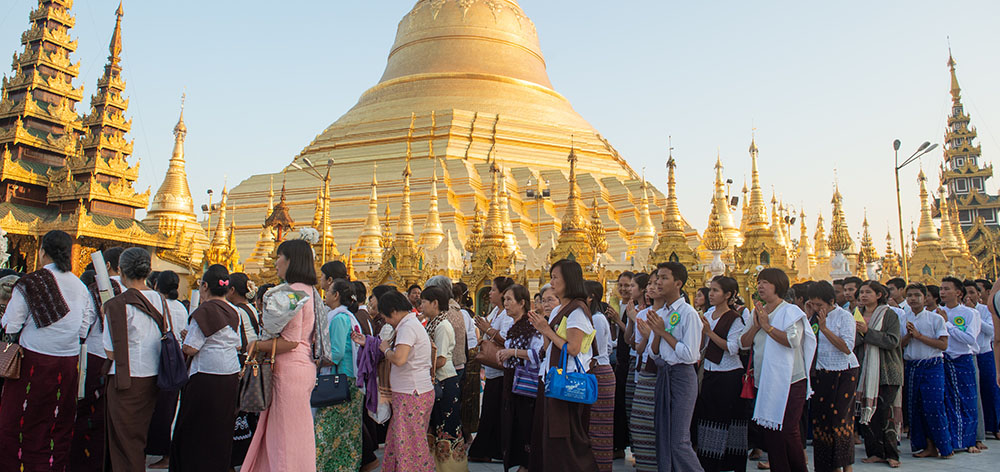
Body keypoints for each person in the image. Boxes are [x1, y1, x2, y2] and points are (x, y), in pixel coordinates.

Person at [0, 230, 89, 471]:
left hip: (32, 362)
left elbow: (11, 325)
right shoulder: (81, 287)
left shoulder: (30, 282)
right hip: (67, 364)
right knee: (56, 422)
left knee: (19, 421)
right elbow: (83, 329)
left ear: (42, 252)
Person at [102, 247, 185, 472]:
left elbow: (110, 352)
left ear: (121, 271)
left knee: (124, 441)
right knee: (137, 438)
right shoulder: (160, 299)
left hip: (126, 380)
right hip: (153, 377)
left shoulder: (117, 305)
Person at [242, 239, 319, 472]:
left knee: (284, 438)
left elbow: (291, 340)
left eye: (279, 257)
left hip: (289, 369)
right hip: (303, 366)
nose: (276, 262)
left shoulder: (293, 293)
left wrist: (257, 345)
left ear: (290, 260)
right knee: (292, 433)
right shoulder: (311, 291)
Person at [740, 268, 817, 472]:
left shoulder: (790, 311)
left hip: (791, 380)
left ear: (778, 286)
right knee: (770, 431)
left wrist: (768, 327)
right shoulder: (757, 312)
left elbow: (793, 341)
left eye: (765, 282)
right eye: (759, 282)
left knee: (788, 430)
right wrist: (757, 326)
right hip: (766, 380)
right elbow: (743, 343)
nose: (760, 286)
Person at [526, 259, 599, 471]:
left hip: (567, 382)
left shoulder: (577, 311)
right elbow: (549, 346)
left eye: (555, 277)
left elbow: (573, 348)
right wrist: (542, 327)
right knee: (551, 435)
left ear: (569, 280)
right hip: (553, 379)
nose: (552, 282)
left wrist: (547, 330)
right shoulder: (561, 309)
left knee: (566, 438)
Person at [169, 265, 242, 472]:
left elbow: (191, 348)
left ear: (205, 286)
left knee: (196, 427)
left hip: (206, 375)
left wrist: (186, 339)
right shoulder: (234, 311)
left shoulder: (204, 311)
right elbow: (237, 344)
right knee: (221, 426)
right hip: (229, 373)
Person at [357, 290, 436, 471]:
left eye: (385, 316)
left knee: (411, 445)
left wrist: (386, 350)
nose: (386, 321)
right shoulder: (409, 324)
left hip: (412, 393)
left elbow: (399, 358)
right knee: (399, 441)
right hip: (411, 392)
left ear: (393, 311)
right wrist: (370, 343)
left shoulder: (407, 327)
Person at [643, 262, 703, 471]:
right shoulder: (662, 313)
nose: (658, 283)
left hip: (681, 376)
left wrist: (663, 332)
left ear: (678, 283)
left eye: (664, 278)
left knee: (679, 440)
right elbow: (653, 353)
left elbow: (690, 355)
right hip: (664, 373)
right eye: (657, 278)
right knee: (664, 435)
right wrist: (657, 334)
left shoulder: (688, 314)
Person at [71, 246, 124, 471]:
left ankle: (84, 463)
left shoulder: (96, 289)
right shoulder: (135, 291)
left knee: (87, 414)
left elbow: (84, 327)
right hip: (125, 362)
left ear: (107, 265)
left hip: (96, 356)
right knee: (112, 415)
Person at [693, 276, 748, 472]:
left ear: (728, 295)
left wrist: (709, 332)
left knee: (726, 419)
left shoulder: (734, 318)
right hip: (709, 371)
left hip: (728, 374)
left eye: (716, 290)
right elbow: (702, 345)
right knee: (708, 418)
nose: (711, 294)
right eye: (711, 290)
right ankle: (709, 463)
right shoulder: (708, 314)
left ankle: (730, 464)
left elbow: (733, 348)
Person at [807, 281, 860, 472]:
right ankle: (826, 466)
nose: (817, 308)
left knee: (840, 420)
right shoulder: (812, 318)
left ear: (831, 301)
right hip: (821, 372)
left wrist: (825, 329)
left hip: (843, 371)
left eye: (820, 304)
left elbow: (847, 347)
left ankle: (845, 466)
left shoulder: (844, 317)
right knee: (822, 419)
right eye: (813, 304)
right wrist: (809, 316)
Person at [852, 280, 902, 467]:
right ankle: (874, 452)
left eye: (868, 292)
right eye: (861, 293)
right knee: (867, 411)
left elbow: (892, 340)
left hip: (886, 370)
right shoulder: (857, 314)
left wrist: (867, 332)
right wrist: (860, 335)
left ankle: (892, 454)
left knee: (884, 412)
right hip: (864, 369)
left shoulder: (889, 314)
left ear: (879, 295)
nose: (863, 296)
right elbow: (852, 340)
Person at [314, 278, 363, 471]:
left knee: (327, 428)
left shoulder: (339, 318)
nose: (325, 295)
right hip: (348, 378)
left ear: (336, 295)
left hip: (341, 380)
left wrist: (315, 362)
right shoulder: (345, 316)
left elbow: (336, 354)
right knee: (345, 430)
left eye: (328, 292)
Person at [901, 283, 953, 458]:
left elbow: (943, 345)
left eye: (917, 295)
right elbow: (899, 345)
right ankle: (927, 446)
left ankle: (944, 447)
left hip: (932, 365)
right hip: (912, 366)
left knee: (934, 406)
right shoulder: (903, 318)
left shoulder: (935, 319)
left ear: (925, 298)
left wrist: (919, 336)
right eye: (909, 296)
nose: (913, 299)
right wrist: (909, 336)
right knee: (917, 408)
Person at [419, 285, 467, 471]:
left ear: (435, 303)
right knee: (437, 426)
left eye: (424, 301)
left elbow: (440, 359)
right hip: (436, 380)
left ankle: (451, 468)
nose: (421, 305)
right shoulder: (432, 323)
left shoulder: (442, 326)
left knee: (447, 428)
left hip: (445, 380)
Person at [469, 276, 515, 463]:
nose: (490, 293)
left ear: (503, 293)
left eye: (494, 290)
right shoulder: (496, 311)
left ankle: (489, 450)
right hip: (491, 369)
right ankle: (491, 450)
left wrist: (488, 330)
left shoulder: (507, 316)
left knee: (494, 411)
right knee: (490, 411)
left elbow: (507, 341)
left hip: (501, 369)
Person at [498, 284, 543, 472]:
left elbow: (539, 354)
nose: (506, 304)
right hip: (511, 380)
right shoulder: (513, 326)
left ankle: (527, 464)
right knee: (512, 423)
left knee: (525, 424)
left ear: (522, 302)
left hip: (525, 384)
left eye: (509, 299)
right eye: (504, 300)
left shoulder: (531, 326)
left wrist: (513, 352)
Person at [146, 270, 187, 469]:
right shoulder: (181, 307)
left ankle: (158, 451)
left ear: (156, 285)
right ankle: (163, 452)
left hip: (159, 359)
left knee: (155, 408)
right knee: (168, 408)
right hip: (175, 359)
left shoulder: (157, 304)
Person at [938, 276, 982, 453]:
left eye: (947, 289)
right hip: (943, 359)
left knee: (967, 400)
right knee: (946, 401)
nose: (943, 292)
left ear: (958, 293)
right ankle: (951, 440)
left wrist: (947, 324)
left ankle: (969, 441)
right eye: (941, 289)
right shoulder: (937, 312)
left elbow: (970, 339)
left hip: (962, 359)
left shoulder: (969, 313)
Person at [226, 273, 261, 469]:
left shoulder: (236, 311)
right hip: (252, 362)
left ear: (232, 290)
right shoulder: (252, 308)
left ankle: (235, 458)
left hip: (241, 362)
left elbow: (237, 341)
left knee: (237, 413)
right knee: (246, 412)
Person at [630, 273, 664, 472]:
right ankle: (645, 465)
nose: (651, 287)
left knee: (662, 422)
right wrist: (646, 336)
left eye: (656, 283)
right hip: (646, 370)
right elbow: (639, 348)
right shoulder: (643, 315)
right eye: (649, 283)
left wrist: (654, 334)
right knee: (641, 421)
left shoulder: (676, 314)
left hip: (665, 372)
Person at [585, 280, 617, 472]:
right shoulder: (596, 317)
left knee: (599, 426)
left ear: (591, 297)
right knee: (592, 424)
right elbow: (609, 346)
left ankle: (600, 466)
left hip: (599, 372)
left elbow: (593, 349)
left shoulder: (596, 319)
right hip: (600, 370)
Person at [454, 281, 481, 444]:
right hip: (469, 354)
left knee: (466, 395)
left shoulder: (462, 313)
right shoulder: (463, 313)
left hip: (467, 356)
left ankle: (466, 431)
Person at [612, 271, 635, 459]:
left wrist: (618, 321)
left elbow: (632, 335)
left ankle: (636, 448)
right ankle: (619, 445)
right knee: (619, 404)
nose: (623, 289)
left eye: (627, 285)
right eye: (620, 285)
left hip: (631, 359)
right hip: (619, 358)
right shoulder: (616, 304)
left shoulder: (634, 308)